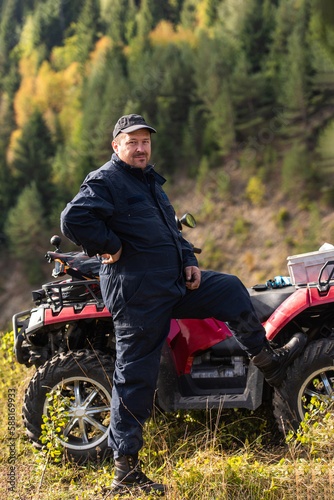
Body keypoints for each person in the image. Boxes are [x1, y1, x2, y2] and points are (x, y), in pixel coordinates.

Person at [60, 114, 305, 496]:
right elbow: (72, 219)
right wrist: (111, 245)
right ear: (116, 146)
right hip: (138, 293)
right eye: (132, 142)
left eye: (145, 141)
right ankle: (124, 472)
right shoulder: (106, 180)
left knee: (228, 288)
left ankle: (266, 360)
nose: (140, 148)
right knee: (135, 377)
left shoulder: (150, 183)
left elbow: (170, 231)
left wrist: (189, 260)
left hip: (173, 282)